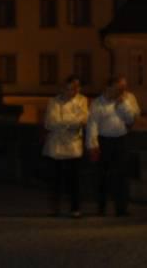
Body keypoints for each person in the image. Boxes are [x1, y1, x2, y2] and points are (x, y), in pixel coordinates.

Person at [87, 74, 140, 215]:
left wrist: (121, 105)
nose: (120, 92)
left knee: (122, 176)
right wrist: (92, 144)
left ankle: (121, 209)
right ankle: (101, 208)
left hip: (121, 140)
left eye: (121, 89)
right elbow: (92, 124)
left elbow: (130, 119)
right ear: (108, 87)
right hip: (104, 141)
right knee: (102, 176)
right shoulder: (97, 103)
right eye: (117, 89)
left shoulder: (125, 100)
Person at [42, 75, 89, 218]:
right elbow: (49, 122)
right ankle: (54, 208)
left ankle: (75, 208)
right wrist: (69, 124)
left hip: (73, 146)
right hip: (56, 146)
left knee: (74, 180)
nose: (74, 91)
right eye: (70, 88)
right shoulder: (53, 102)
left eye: (76, 88)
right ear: (64, 88)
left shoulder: (82, 101)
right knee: (55, 180)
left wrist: (62, 123)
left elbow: (83, 119)